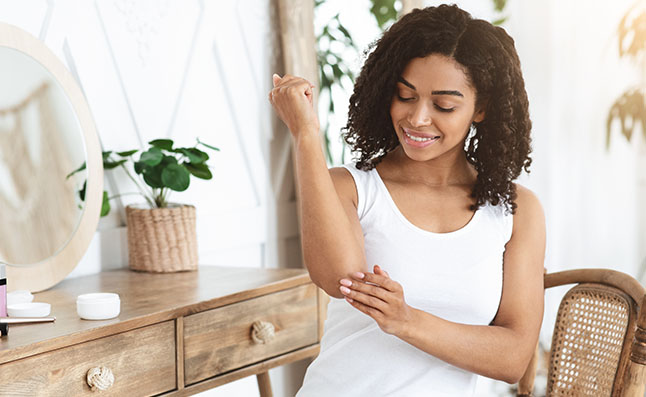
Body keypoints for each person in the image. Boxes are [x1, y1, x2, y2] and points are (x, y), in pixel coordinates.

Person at [269, 4, 545, 396]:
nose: (417, 118)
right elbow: (339, 277)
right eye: (405, 95)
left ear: (481, 108)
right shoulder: (352, 188)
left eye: (444, 105)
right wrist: (305, 134)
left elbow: (513, 358)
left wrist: (406, 320)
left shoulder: (516, 211)